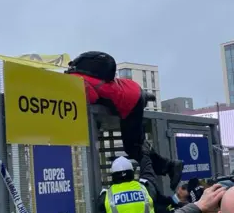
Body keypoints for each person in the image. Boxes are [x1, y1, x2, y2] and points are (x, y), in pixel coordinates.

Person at [67, 53, 183, 190]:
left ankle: (166, 171)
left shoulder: (77, 79)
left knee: (134, 148)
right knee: (137, 144)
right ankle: (169, 166)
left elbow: (91, 97)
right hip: (131, 89)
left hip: (131, 101)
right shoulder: (84, 74)